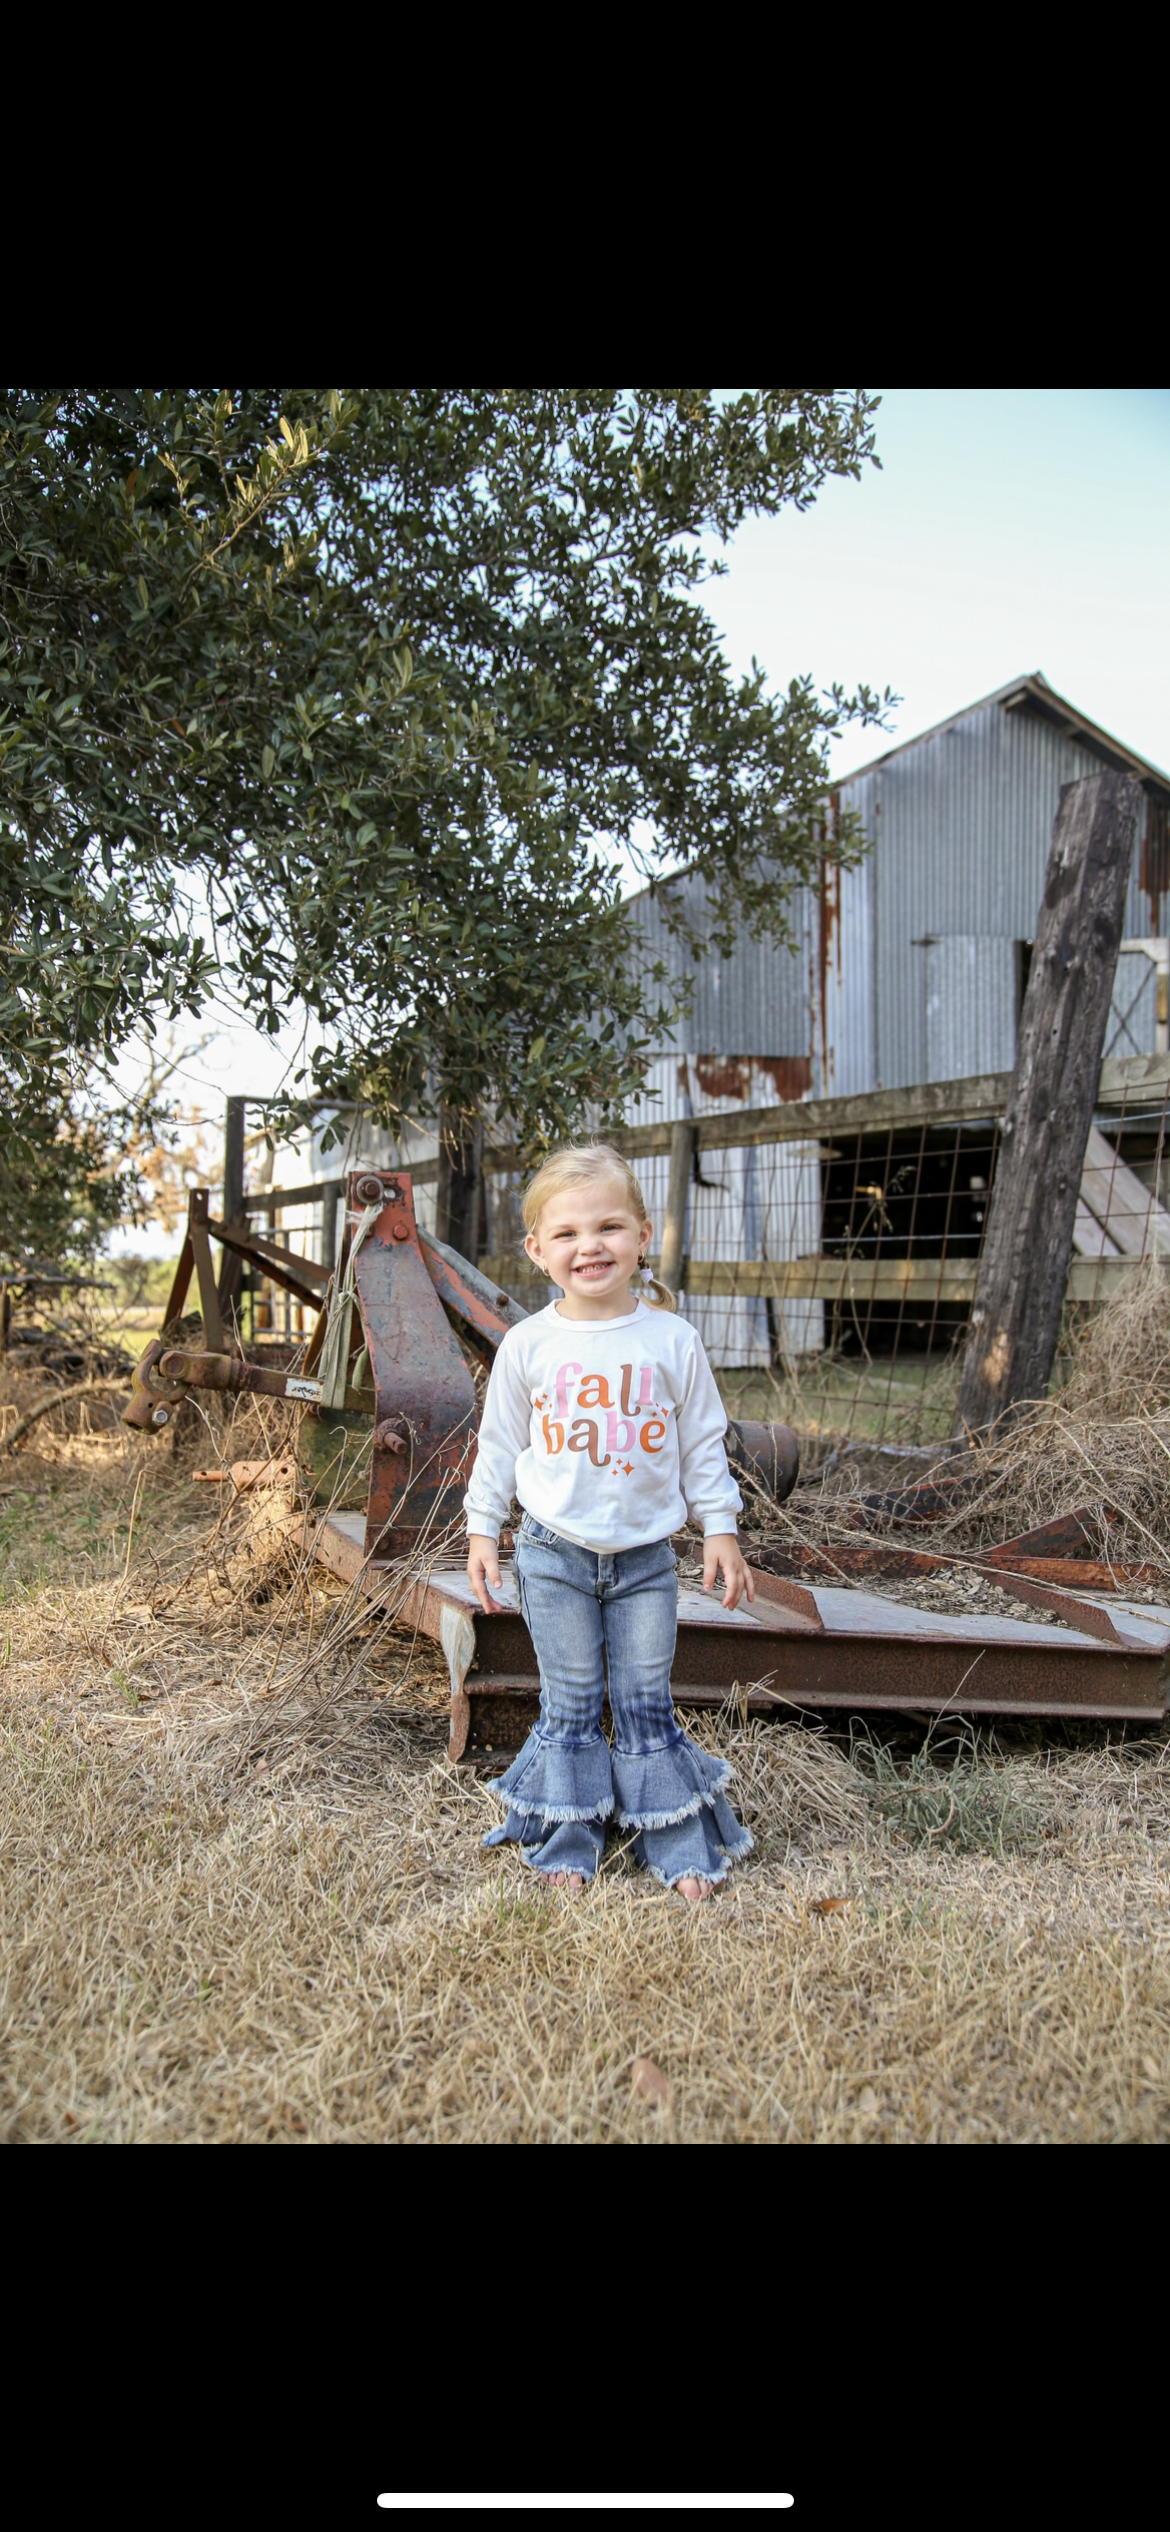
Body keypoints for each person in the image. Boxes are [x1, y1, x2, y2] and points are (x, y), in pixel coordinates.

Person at [465, 1142, 756, 1900]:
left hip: (644, 1562)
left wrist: (719, 1526)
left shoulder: (671, 1340)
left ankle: (673, 1833)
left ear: (643, 1234)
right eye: (566, 1234)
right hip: (552, 1554)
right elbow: (499, 1447)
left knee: (642, 1701)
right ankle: (570, 1831)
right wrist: (480, 1530)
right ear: (536, 1249)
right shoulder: (528, 1345)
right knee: (568, 1699)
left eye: (609, 1227)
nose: (589, 1246)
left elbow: (700, 1443)